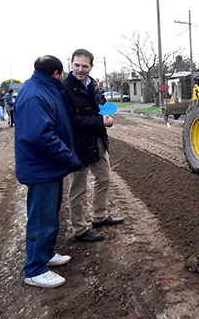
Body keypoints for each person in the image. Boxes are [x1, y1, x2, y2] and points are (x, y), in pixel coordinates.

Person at [14, 55, 82, 288]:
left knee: (50, 214)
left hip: (49, 167)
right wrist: (69, 157)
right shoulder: (34, 94)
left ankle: (46, 254)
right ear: (56, 73)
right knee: (41, 218)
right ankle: (34, 268)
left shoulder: (43, 87)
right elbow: (39, 136)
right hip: (41, 167)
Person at [63, 48, 124, 243]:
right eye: (77, 65)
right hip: (78, 144)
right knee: (78, 189)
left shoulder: (93, 85)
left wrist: (108, 118)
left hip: (98, 140)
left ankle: (99, 217)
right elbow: (70, 120)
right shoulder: (64, 88)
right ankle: (80, 229)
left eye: (85, 66)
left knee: (104, 178)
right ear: (71, 65)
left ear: (91, 66)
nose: (80, 69)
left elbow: (102, 106)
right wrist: (99, 122)